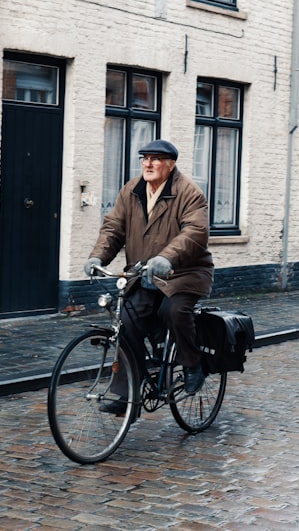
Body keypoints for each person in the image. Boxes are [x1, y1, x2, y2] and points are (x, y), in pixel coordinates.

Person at [84, 139, 214, 414]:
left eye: (156, 159)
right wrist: (98, 256)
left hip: (184, 273)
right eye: (145, 158)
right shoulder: (132, 190)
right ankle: (125, 394)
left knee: (174, 311)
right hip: (142, 274)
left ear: (171, 164)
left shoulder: (189, 193)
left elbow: (195, 232)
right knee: (127, 323)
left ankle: (192, 365)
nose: (148, 164)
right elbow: (114, 228)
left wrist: (167, 258)